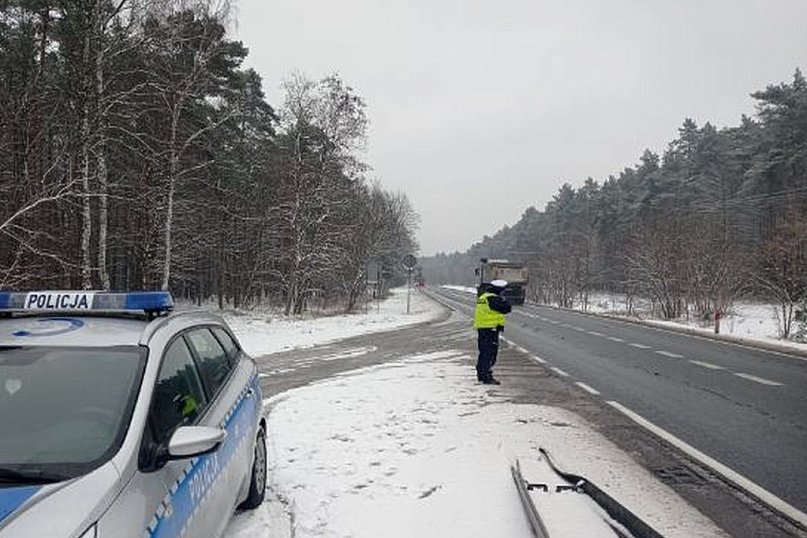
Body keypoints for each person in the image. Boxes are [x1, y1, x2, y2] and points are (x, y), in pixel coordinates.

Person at [473, 279, 512, 384]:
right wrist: (505, 301)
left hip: (483, 328)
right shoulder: (493, 299)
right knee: (490, 353)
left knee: (484, 352)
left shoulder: (483, 297)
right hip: (491, 329)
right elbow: (506, 308)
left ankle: (481, 373)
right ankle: (486, 376)